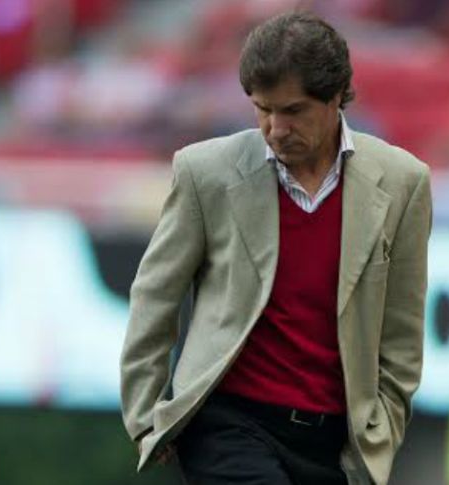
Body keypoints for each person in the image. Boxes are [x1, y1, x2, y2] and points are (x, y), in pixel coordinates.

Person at [120, 11, 432, 485]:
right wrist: (146, 416)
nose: (275, 127)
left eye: (292, 111)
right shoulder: (205, 172)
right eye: (262, 109)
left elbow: (403, 330)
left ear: (335, 97)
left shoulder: (403, 182)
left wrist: (381, 430)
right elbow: (155, 294)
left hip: (336, 444)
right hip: (227, 425)